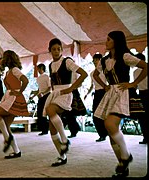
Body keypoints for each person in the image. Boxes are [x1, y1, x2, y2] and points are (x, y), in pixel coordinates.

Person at [93, 31, 147, 178]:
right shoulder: (104, 61)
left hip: (122, 92)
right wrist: (104, 86)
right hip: (110, 92)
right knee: (111, 133)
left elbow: (145, 67)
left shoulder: (125, 56)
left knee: (110, 124)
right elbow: (95, 74)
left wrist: (133, 84)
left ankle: (126, 156)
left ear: (116, 41)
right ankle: (123, 166)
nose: (106, 41)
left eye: (109, 39)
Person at [43, 38, 88, 166]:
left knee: (51, 110)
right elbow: (53, 81)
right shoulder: (50, 65)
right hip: (55, 93)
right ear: (49, 51)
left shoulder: (67, 61)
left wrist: (71, 88)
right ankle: (62, 156)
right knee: (52, 129)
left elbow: (84, 74)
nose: (56, 52)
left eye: (58, 49)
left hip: (66, 93)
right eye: (53, 49)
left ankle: (64, 139)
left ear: (62, 50)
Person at [0, 50, 29, 159]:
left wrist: (20, 92)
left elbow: (25, 80)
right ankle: (17, 151)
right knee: (6, 126)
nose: (1, 59)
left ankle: (7, 138)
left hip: (14, 98)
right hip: (9, 97)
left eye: (3, 58)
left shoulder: (15, 70)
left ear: (8, 59)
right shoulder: (8, 72)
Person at [84, 53, 108, 142]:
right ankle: (102, 134)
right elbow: (92, 85)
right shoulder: (92, 73)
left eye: (96, 60)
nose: (95, 62)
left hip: (105, 92)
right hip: (97, 93)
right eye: (93, 61)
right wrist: (87, 94)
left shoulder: (105, 71)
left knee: (106, 114)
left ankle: (109, 132)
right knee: (96, 115)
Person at [29, 63, 51, 135]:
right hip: (41, 96)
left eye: (39, 68)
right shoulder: (38, 78)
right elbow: (39, 89)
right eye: (37, 69)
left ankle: (49, 128)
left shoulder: (46, 76)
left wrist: (43, 93)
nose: (38, 70)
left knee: (46, 112)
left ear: (42, 68)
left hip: (47, 95)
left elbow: (50, 87)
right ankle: (44, 130)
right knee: (40, 113)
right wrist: (33, 95)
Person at [133, 53, 148, 144]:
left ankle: (146, 137)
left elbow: (136, 85)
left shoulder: (136, 71)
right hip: (144, 93)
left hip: (142, 94)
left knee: (142, 118)